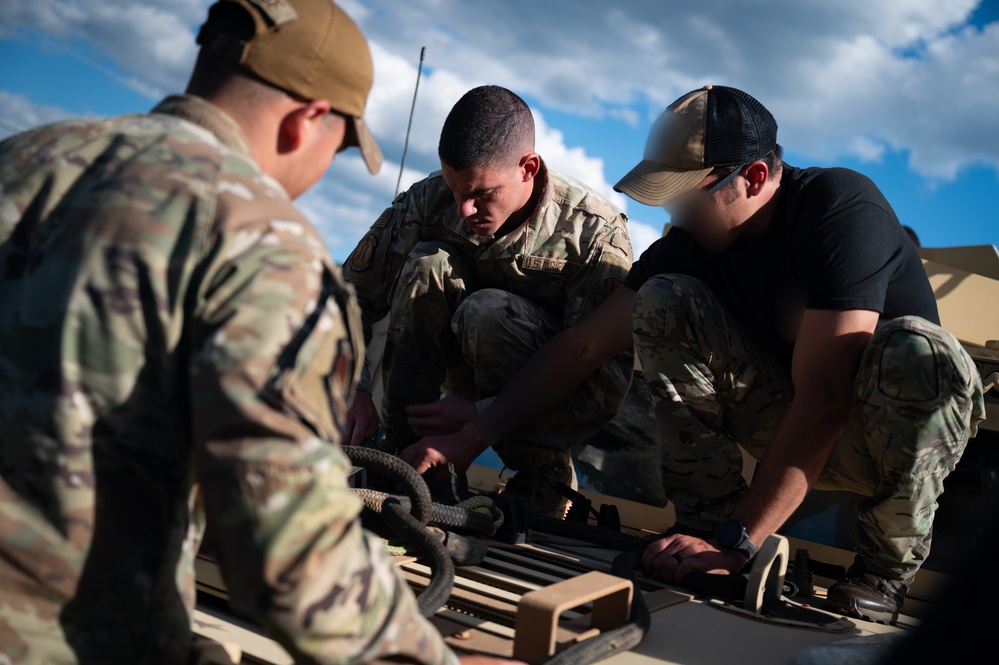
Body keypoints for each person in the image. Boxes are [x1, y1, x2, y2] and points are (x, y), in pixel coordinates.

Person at [0, 1, 516, 663]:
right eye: (340, 145)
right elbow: (292, 559)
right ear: (307, 121)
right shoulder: (260, 242)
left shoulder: (23, 158)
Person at [411, 85, 985, 626]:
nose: (674, 216)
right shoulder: (695, 244)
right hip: (786, 425)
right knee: (662, 299)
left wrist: (740, 543)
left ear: (753, 177)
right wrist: (477, 431)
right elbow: (583, 345)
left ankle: (882, 572)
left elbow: (825, 400)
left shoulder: (839, 211)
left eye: (687, 197)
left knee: (920, 351)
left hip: (876, 439)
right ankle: (701, 524)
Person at [342, 85, 634, 515]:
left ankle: (543, 476)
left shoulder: (592, 232)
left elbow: (600, 383)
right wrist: (354, 387)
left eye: (481, 194)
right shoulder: (428, 200)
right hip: (452, 380)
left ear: (528, 168)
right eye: (455, 191)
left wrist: (480, 417)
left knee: (487, 311)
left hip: (548, 392)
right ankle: (406, 455)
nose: (463, 209)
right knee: (429, 264)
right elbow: (352, 298)